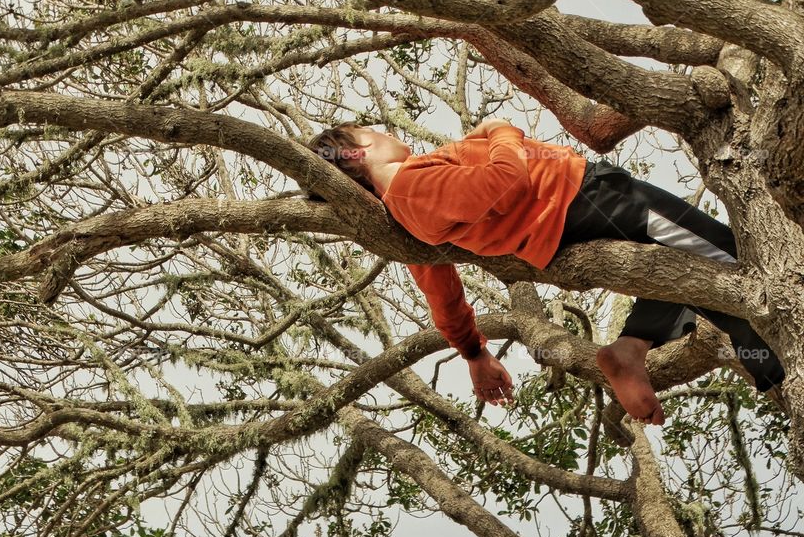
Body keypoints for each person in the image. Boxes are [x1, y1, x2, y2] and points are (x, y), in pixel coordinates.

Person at [303, 118, 785, 425]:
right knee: (725, 261)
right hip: (583, 198)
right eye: (373, 132)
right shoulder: (409, 186)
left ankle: (632, 347)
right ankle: (777, 354)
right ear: (356, 152)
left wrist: (473, 351)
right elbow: (505, 177)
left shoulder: (404, 208)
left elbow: (439, 286)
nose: (387, 133)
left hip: (568, 216)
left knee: (676, 270)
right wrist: (499, 131)